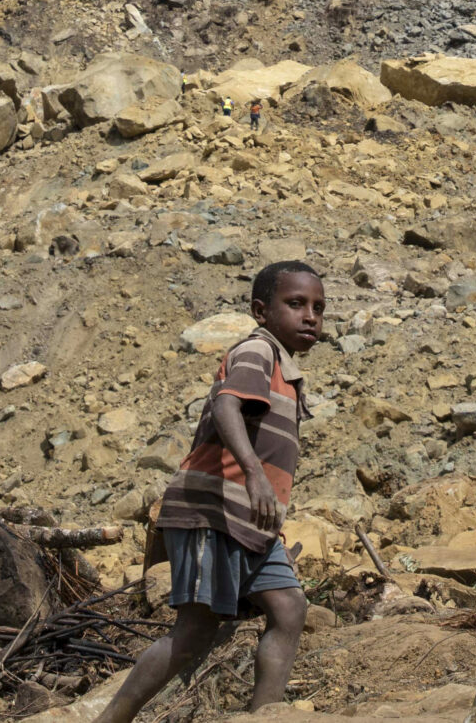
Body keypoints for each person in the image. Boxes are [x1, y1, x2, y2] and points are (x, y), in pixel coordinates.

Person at [100, 262, 324, 723]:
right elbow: (226, 405)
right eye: (296, 304)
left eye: (319, 308)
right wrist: (253, 472)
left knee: (289, 608)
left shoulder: (284, 366)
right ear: (261, 311)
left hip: (250, 523)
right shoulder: (257, 351)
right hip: (214, 513)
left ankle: (264, 715)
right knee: (195, 630)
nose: (311, 317)